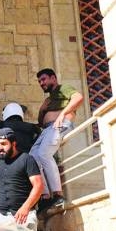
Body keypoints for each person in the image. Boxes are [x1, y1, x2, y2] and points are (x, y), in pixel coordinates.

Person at [31, 68, 83, 210]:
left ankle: (58, 194)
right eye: (39, 81)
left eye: (44, 79)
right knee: (33, 156)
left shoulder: (63, 88)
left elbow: (78, 98)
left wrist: (63, 114)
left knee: (44, 154)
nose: (41, 83)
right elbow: (41, 121)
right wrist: (43, 109)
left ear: (53, 78)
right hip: (47, 129)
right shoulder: (49, 99)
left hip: (59, 125)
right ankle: (46, 195)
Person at [0, 128, 45, 228]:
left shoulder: (26, 159)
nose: (0, 148)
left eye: (3, 144)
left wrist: (26, 208)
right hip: (2, 216)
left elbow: (39, 186)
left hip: (23, 215)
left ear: (13, 144)